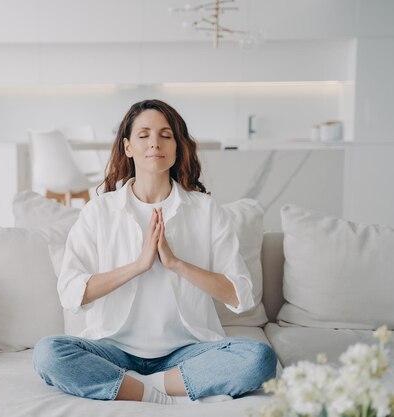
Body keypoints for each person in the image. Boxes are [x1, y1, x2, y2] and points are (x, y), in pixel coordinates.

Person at [32, 99, 277, 405]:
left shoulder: (205, 210)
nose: (155, 144)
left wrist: (176, 264)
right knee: (48, 353)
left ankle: (137, 386)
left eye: (166, 135)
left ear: (177, 147)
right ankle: (159, 393)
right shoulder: (99, 212)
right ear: (127, 147)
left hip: (187, 352)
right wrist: (138, 265)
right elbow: (70, 293)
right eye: (143, 135)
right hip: (113, 350)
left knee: (259, 358)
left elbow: (241, 295)